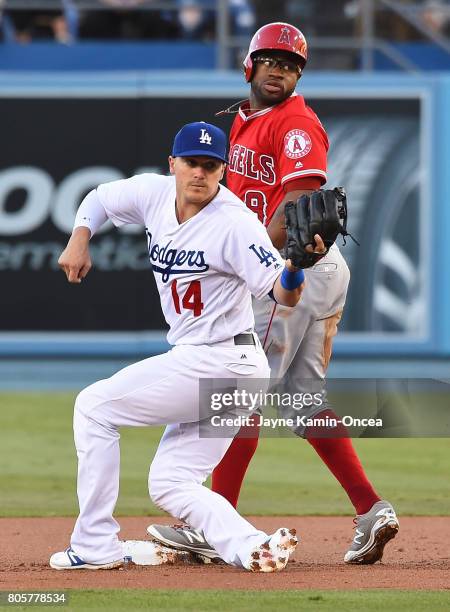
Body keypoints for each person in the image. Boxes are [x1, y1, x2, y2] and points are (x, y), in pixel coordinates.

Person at [147, 23, 399, 565]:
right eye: (271, 60)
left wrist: (251, 260)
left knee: (237, 393)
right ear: (250, 65)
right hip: (308, 273)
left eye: (290, 64)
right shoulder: (241, 122)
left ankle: (214, 523)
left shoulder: (297, 124)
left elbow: (301, 206)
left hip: (290, 268)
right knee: (302, 398)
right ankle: (371, 508)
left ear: (299, 74)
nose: (280, 69)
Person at [49, 120, 320, 573]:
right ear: (172, 164)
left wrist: (294, 270)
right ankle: (253, 545)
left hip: (219, 359)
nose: (200, 173)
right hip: (228, 367)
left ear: (223, 171)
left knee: (93, 407)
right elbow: (98, 198)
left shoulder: (236, 224)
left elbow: (281, 294)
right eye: (192, 162)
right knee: (171, 482)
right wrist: (80, 237)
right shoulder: (153, 194)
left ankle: (94, 545)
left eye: (211, 166)